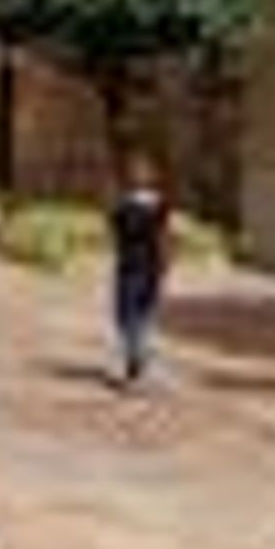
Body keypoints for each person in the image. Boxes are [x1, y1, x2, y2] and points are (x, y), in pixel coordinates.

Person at [107, 149, 171, 386]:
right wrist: (165, 262)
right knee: (147, 313)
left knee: (126, 314)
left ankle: (134, 359)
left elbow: (115, 233)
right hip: (153, 264)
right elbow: (164, 236)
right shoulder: (161, 204)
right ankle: (142, 359)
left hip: (130, 265)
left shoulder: (122, 206)